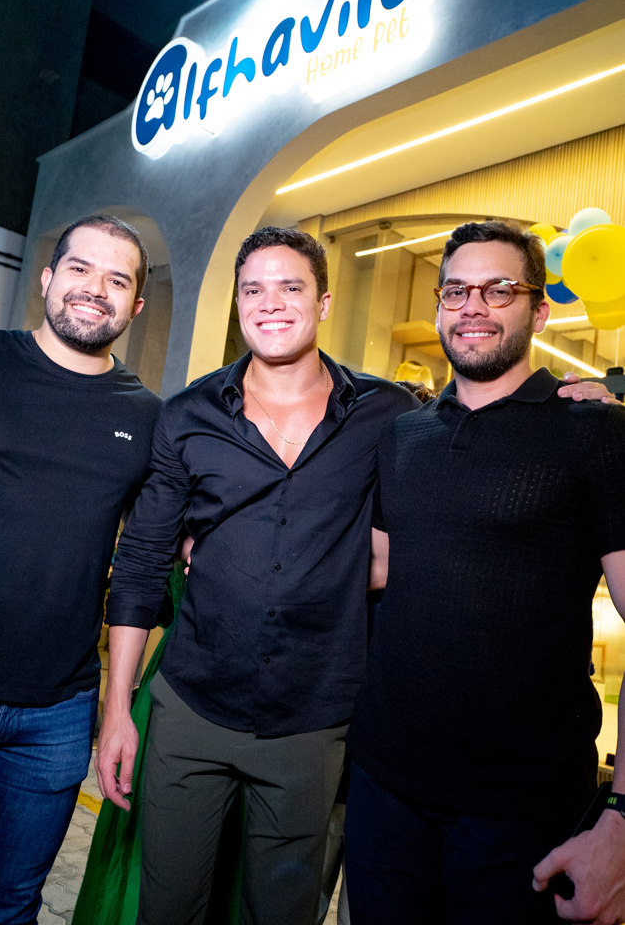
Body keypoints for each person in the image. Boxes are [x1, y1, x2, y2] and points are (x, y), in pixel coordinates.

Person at [96, 224, 609, 925]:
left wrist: (576, 402)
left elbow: (398, 543)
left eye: (290, 287)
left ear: (324, 302)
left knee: (282, 908)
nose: (270, 303)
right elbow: (148, 559)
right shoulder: (203, 415)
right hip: (238, 715)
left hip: (349, 732)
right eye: (253, 289)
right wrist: (121, 699)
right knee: (172, 905)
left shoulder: (392, 416)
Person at [344, 220, 625, 925]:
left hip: (521, 811)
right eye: (456, 290)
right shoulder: (401, 435)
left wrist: (620, 818)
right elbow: (376, 569)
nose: (472, 305)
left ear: (539, 308)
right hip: (385, 791)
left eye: (499, 289)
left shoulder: (594, 432)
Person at [0, 213, 162, 924]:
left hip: (56, 714)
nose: (94, 289)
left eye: (117, 279)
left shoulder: (146, 418)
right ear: (47, 279)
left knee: (9, 909)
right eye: (79, 269)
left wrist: (116, 711)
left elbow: (144, 565)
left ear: (135, 305)